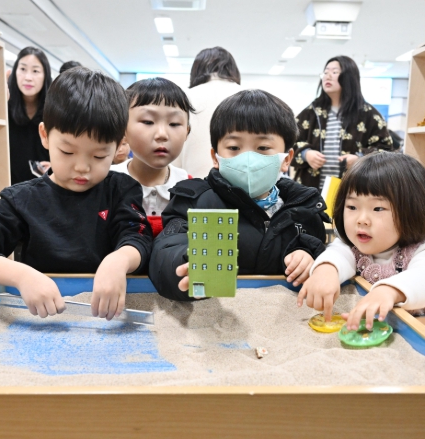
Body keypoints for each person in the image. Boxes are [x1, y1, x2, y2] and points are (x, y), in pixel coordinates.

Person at [0, 68, 153, 320]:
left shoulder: (121, 189)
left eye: (99, 156)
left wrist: (119, 261)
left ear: (119, 146)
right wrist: (21, 276)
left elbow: (139, 237)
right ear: (45, 135)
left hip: (108, 315)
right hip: (44, 317)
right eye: (67, 152)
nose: (82, 167)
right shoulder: (22, 200)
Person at [149, 89, 329, 302]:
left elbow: (321, 250)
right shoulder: (196, 202)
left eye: (263, 147)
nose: (248, 159)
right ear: (215, 157)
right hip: (215, 315)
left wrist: (309, 257)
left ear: (286, 159)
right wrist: (188, 260)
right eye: (234, 147)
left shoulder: (305, 209)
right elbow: (164, 250)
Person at [298, 152, 425, 331]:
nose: (362, 220)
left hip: (410, 333)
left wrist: (389, 291)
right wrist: (326, 270)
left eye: (377, 208)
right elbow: (337, 255)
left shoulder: (424, 250)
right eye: (352, 207)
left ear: (413, 211)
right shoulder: (351, 247)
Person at [291, 56, 393, 190]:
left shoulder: (368, 114)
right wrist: (306, 154)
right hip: (310, 190)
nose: (328, 76)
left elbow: (386, 150)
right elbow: (288, 140)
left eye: (334, 72)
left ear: (349, 77)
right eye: (325, 72)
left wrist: (360, 159)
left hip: (352, 189)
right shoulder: (311, 112)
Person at [111, 77, 194, 236]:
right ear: (123, 129)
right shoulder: (106, 182)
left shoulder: (189, 188)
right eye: (148, 122)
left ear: (187, 132)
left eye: (174, 124)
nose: (162, 134)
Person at [175, 47, 244, 178]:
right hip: (242, 184)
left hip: (191, 184)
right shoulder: (250, 97)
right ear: (233, 69)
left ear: (196, 71)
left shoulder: (182, 98)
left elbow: (173, 158)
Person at [8, 47, 53, 185]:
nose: (28, 77)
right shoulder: (4, 108)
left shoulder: (55, 111)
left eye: (35, 71)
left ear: (45, 75)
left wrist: (57, 167)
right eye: (22, 69)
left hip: (47, 188)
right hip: (10, 189)